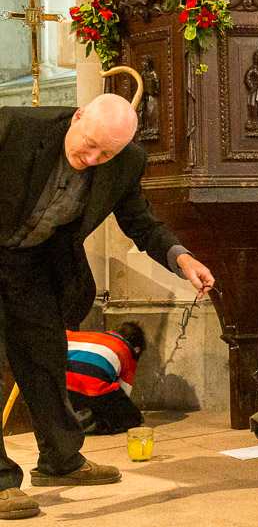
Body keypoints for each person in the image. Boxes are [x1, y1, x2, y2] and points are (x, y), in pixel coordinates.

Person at [0, 94, 214, 519]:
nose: (93, 158)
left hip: (36, 265)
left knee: (45, 358)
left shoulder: (126, 162)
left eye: (107, 153)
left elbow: (140, 221)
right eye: (90, 144)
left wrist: (182, 257)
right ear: (77, 116)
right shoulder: (14, 128)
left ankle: (61, 460)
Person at [66, 321, 146, 435]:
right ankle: (93, 424)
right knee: (133, 417)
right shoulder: (129, 352)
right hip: (92, 391)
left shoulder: (90, 335)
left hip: (62, 387)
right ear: (136, 349)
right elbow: (123, 394)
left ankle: (73, 417)